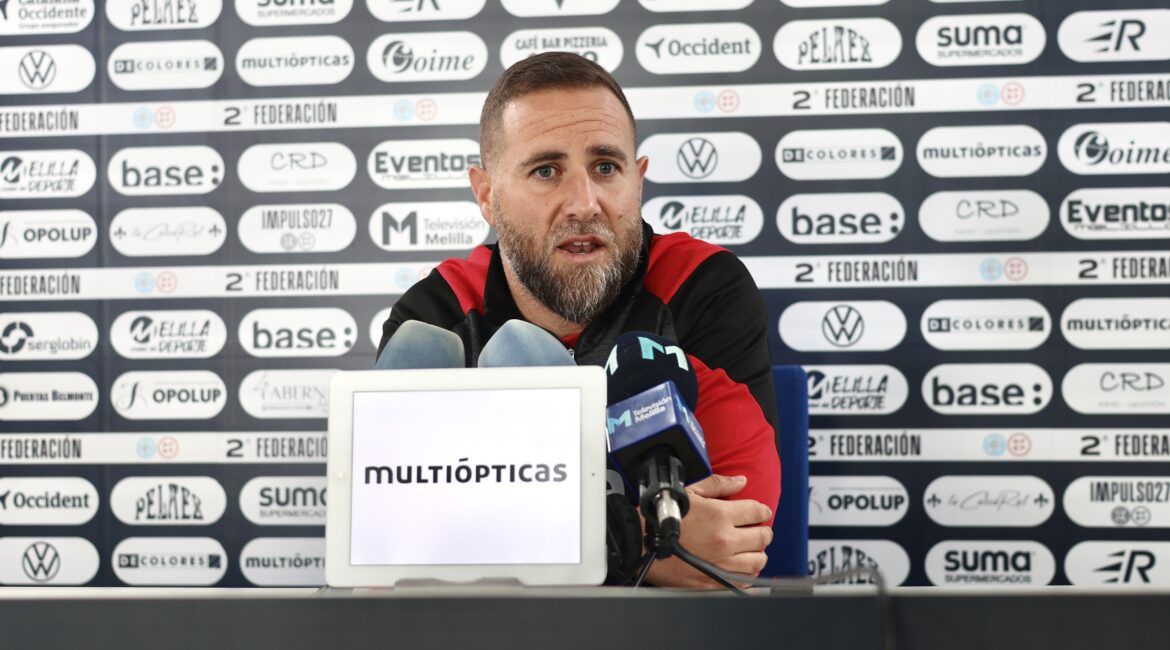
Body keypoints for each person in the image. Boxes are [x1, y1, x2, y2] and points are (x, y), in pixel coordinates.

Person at [377, 52, 780, 588]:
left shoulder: (701, 286)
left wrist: (509, 534)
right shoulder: (438, 317)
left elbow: (732, 538)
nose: (584, 203)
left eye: (605, 167)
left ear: (638, 181)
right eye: (546, 171)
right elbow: (397, 536)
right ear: (487, 195)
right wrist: (634, 541)